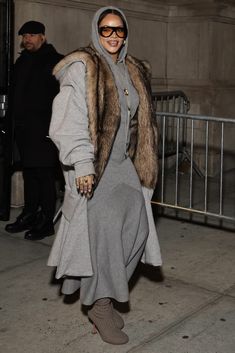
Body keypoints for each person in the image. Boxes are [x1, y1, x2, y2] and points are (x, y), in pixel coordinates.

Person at [48, 6, 162, 345]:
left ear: (126, 33)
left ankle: (105, 292)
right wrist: (82, 165)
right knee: (105, 238)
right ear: (95, 30)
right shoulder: (83, 66)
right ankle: (100, 304)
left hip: (125, 165)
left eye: (119, 30)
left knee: (138, 231)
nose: (113, 36)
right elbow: (68, 122)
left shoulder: (133, 68)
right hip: (95, 169)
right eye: (106, 29)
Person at [5, 21, 63, 240]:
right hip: (23, 130)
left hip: (45, 130)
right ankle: (29, 214)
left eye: (31, 35)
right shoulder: (22, 61)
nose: (27, 39)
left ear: (42, 37)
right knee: (29, 174)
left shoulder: (56, 61)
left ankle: (46, 221)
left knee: (45, 175)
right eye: (24, 36)